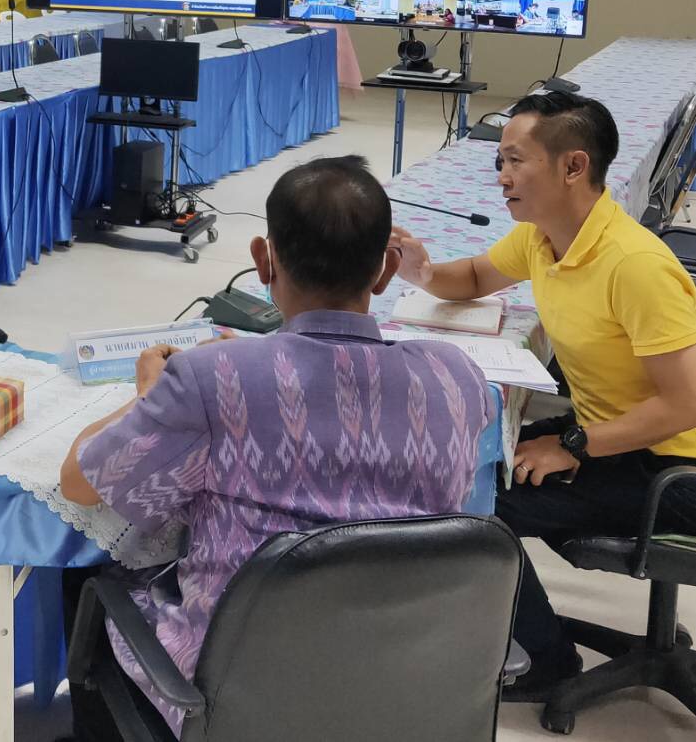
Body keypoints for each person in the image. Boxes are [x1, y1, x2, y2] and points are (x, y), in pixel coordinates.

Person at [59, 156, 496, 741]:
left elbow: (80, 483)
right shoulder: (457, 377)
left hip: (239, 700)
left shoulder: (210, 379)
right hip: (407, 688)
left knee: (91, 574)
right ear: (387, 270)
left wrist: (154, 393)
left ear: (263, 259)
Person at [391, 91, 696, 701]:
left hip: (675, 471)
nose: (501, 176)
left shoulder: (634, 264)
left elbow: (685, 404)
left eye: (513, 160)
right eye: (499, 161)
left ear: (573, 167)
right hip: (619, 439)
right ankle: (520, 632)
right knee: (449, 457)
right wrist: (419, 271)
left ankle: (546, 660)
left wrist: (574, 445)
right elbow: (476, 277)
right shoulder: (545, 236)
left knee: (468, 493)